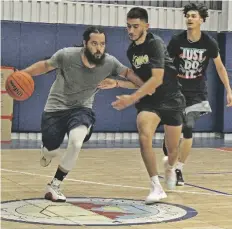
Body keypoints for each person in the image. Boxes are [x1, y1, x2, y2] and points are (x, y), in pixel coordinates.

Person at [21, 26, 145, 202]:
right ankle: (47, 151)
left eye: (102, 44)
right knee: (50, 150)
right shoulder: (67, 55)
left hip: (81, 109)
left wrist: (118, 84)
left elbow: (138, 81)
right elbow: (45, 66)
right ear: (85, 44)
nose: (99, 48)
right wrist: (22, 74)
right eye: (94, 43)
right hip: (55, 109)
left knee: (76, 142)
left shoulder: (110, 62)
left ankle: (55, 184)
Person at [102, 7, 186, 204]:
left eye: (135, 26)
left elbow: (156, 80)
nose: (130, 31)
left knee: (172, 150)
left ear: (146, 26)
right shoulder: (132, 50)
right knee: (144, 132)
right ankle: (156, 186)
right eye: (128, 27)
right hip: (150, 101)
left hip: (171, 98)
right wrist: (118, 83)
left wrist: (130, 99)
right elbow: (142, 83)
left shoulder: (154, 44)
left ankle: (170, 166)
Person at [162, 3, 232, 186]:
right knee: (173, 134)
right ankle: (170, 156)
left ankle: (179, 169)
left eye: (194, 16)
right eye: (188, 16)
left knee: (188, 127)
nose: (190, 19)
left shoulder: (209, 43)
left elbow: (220, 67)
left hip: (197, 93)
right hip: (176, 91)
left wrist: (229, 90)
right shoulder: (177, 41)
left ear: (201, 20)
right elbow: (166, 64)